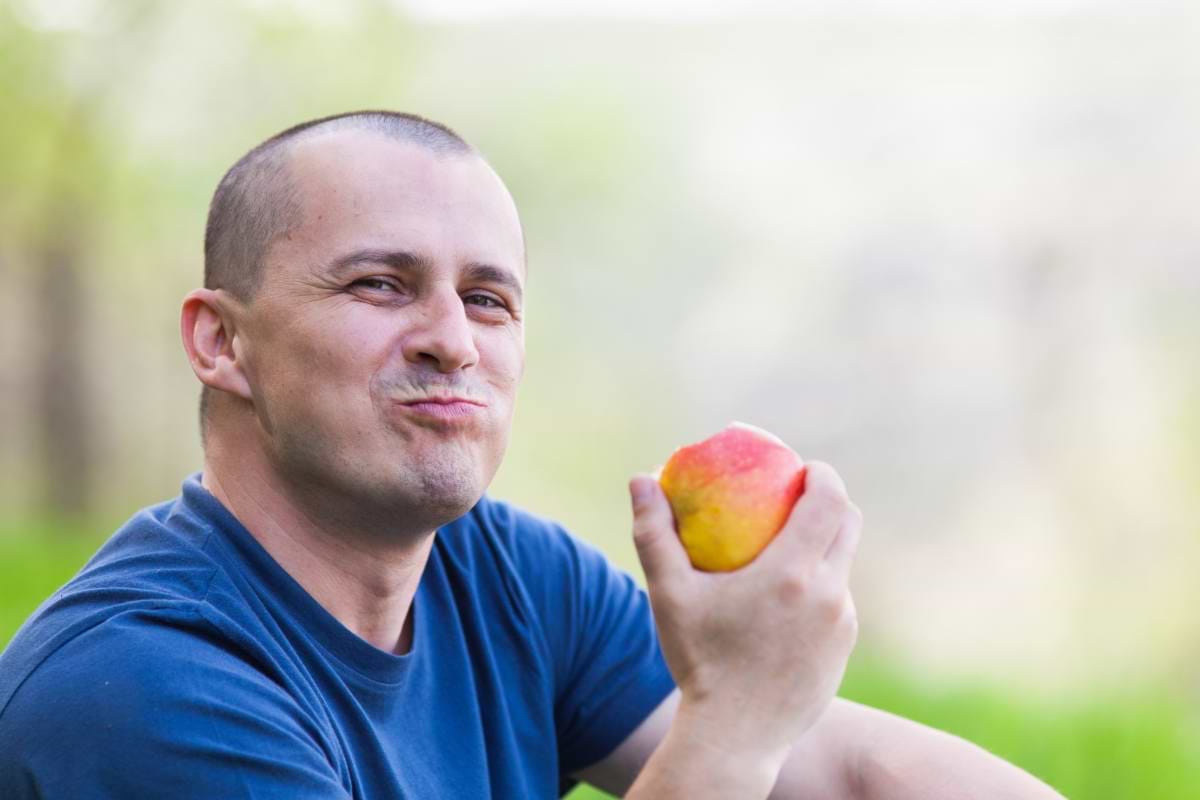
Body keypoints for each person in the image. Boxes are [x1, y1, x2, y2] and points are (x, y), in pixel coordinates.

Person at [0, 110, 1062, 799]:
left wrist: (756, 716)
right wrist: (729, 723)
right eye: (380, 283)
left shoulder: (503, 573)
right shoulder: (138, 687)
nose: (452, 337)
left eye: (487, 297)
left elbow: (853, 772)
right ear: (221, 340)